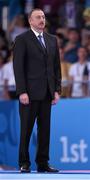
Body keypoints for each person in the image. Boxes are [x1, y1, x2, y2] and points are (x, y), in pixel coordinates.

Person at [13, 8, 61, 173]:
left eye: (43, 16)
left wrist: (56, 90)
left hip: (47, 93)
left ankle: (43, 163)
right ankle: (24, 163)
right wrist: (22, 91)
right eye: (38, 17)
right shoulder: (21, 39)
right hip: (29, 93)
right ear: (30, 21)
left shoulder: (52, 40)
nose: (41, 19)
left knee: (44, 130)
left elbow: (56, 67)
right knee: (26, 129)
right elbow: (18, 67)